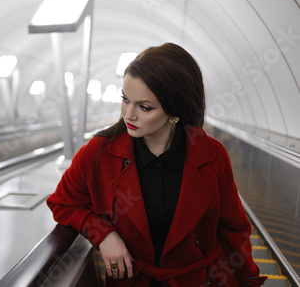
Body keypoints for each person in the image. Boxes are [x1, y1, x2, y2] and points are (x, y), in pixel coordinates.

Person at [47, 43, 267, 286]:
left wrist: (249, 279)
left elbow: (235, 229)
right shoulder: (99, 152)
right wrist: (103, 234)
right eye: (125, 99)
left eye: (144, 107)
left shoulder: (212, 155)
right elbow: (63, 203)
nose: (128, 115)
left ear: (174, 111)